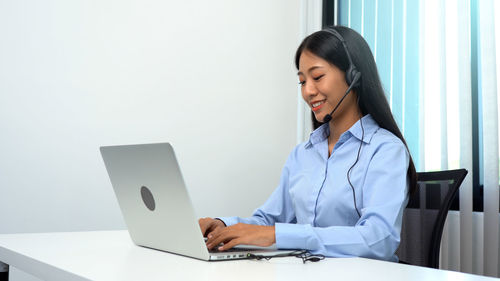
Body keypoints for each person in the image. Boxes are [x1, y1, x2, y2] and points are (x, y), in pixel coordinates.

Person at [198, 25, 417, 262]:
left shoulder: (385, 150)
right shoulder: (303, 154)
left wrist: (278, 235)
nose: (308, 91)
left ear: (353, 75)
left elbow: (379, 238)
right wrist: (222, 226)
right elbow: (268, 221)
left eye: (317, 77)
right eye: (302, 81)